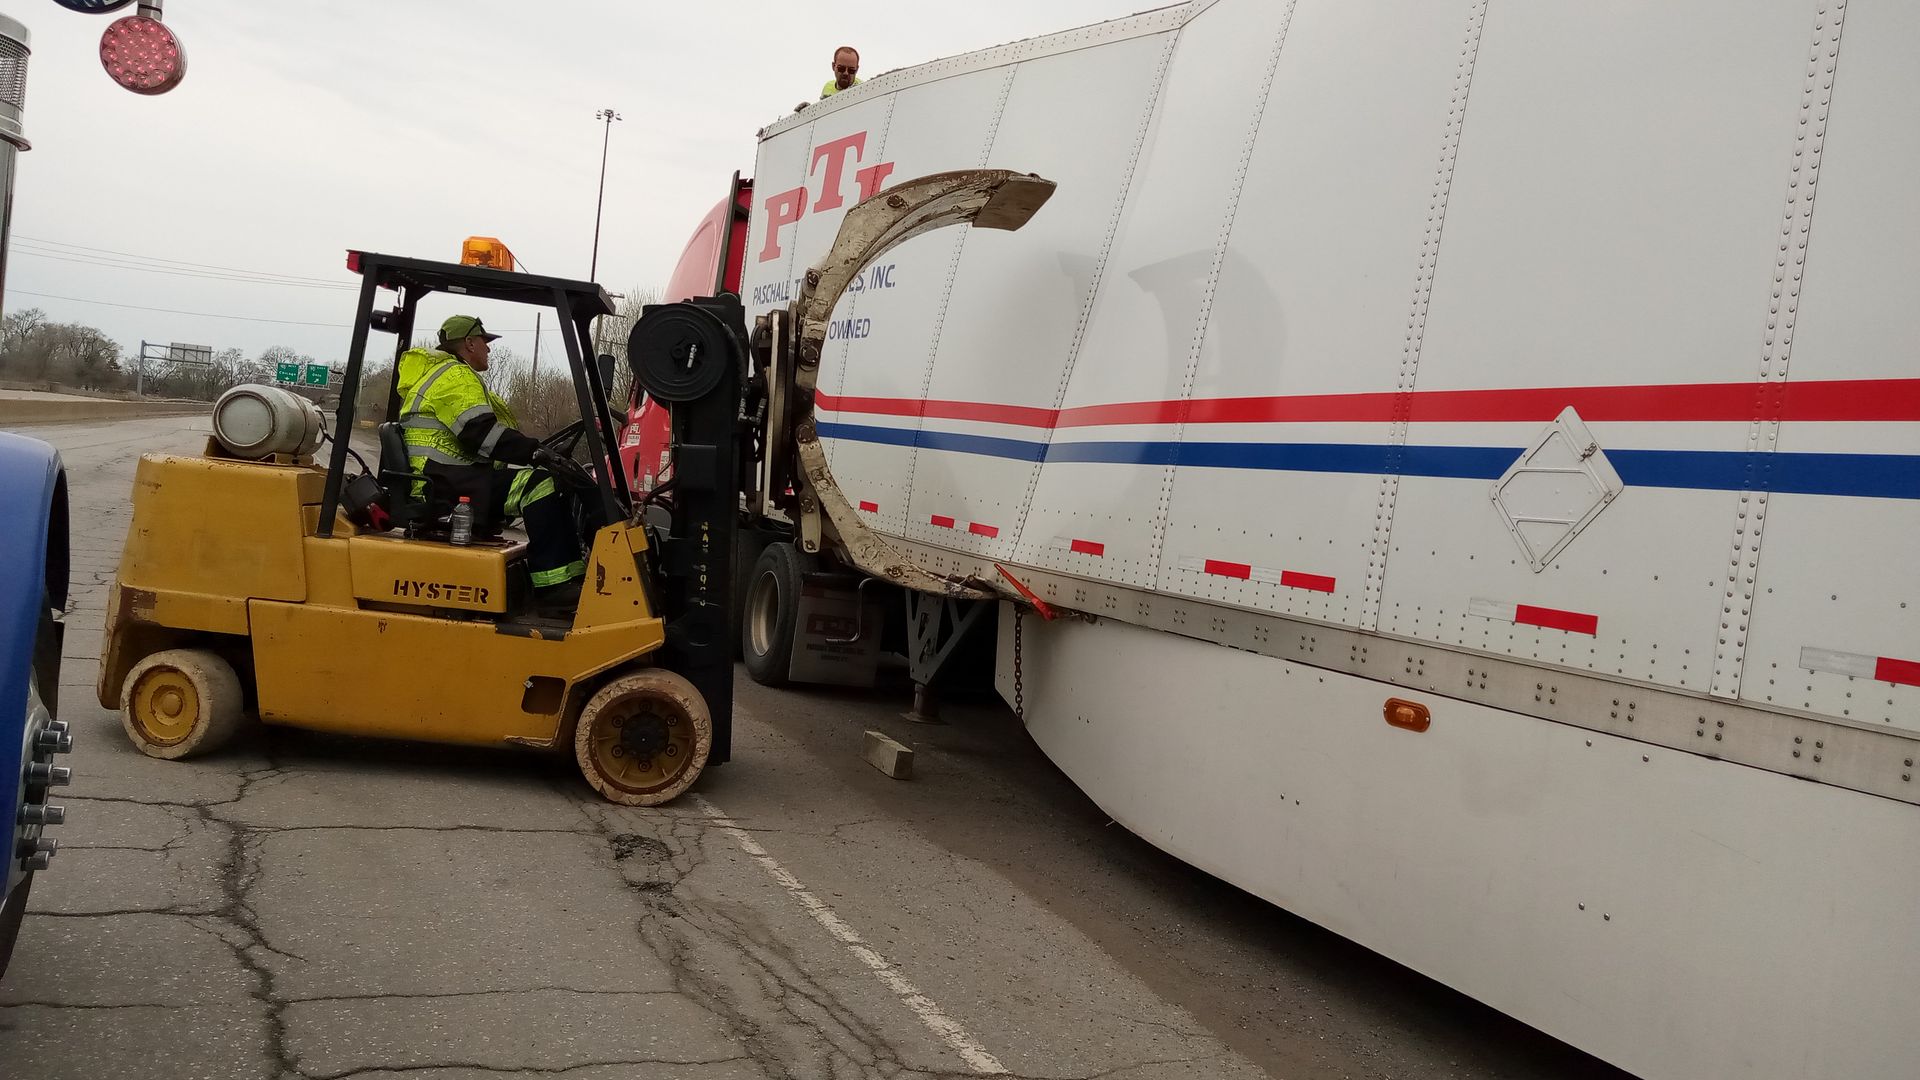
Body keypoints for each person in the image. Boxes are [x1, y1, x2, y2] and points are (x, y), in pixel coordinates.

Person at [394, 315, 586, 612]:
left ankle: (566, 577)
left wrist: (536, 450)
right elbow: (480, 432)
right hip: (444, 486)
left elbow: (483, 435)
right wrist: (534, 453)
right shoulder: (455, 378)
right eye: (485, 342)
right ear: (469, 343)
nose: (489, 349)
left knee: (541, 479)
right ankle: (554, 586)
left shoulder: (446, 376)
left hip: (444, 478)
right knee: (538, 485)